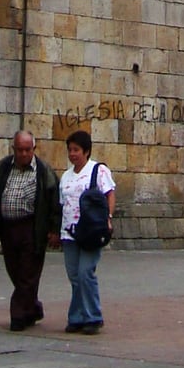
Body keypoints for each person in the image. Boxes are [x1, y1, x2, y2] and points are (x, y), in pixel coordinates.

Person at [0, 129, 60, 330]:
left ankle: (18, 316)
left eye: (27, 150)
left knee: (28, 272)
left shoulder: (44, 172)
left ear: (34, 149)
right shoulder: (1, 169)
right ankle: (32, 307)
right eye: (19, 150)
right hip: (8, 227)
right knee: (15, 270)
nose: (23, 154)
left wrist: (54, 229)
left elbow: (54, 202)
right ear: (13, 149)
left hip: (32, 228)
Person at [58, 130, 116, 333]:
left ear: (86, 151)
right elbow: (61, 203)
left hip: (91, 230)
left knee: (85, 273)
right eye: (70, 150)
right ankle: (77, 317)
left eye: (77, 150)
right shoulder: (66, 176)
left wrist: (107, 218)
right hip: (69, 232)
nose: (73, 154)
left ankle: (93, 316)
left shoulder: (98, 171)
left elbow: (109, 194)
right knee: (74, 276)